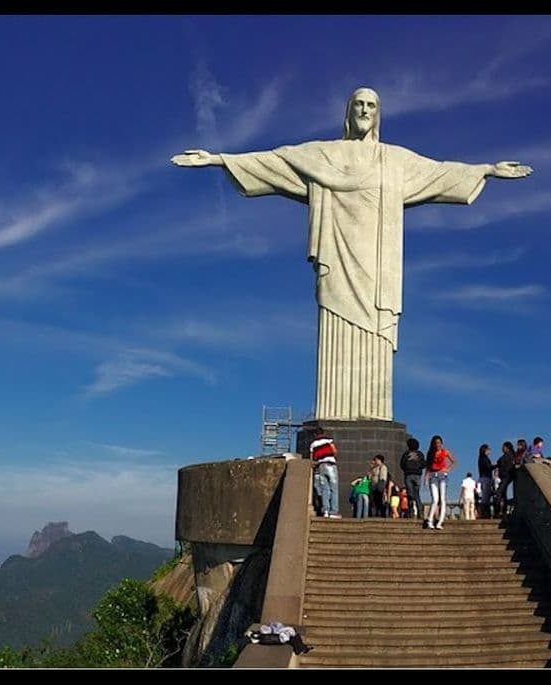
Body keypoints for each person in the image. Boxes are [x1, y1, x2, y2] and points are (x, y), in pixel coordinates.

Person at [171, 88, 532, 422]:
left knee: (375, 328)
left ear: (378, 115)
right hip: (337, 257)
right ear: (348, 112)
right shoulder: (324, 154)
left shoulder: (395, 160)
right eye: (358, 104)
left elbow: (439, 172)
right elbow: (278, 161)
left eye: (371, 105)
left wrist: (486, 169)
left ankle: (373, 413)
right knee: (334, 320)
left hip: (377, 264)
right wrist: (218, 159)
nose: (364, 110)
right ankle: (333, 411)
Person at [424, 435, 456, 529]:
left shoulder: (445, 452)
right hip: (433, 476)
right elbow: (428, 467)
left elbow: (454, 461)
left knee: (442, 499)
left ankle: (440, 522)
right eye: (436, 443)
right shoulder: (430, 453)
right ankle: (430, 520)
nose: (438, 445)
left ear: (442, 443)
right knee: (435, 499)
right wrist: (425, 478)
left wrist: (448, 469)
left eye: (439, 443)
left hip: (442, 476)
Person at [310, 427, 341, 519]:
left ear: (315, 434)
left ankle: (326, 511)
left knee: (324, 490)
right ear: (323, 433)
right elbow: (334, 451)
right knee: (334, 489)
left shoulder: (313, 444)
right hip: (330, 465)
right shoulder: (328, 440)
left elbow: (312, 458)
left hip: (320, 466)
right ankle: (334, 511)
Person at [400, 438, 425, 518]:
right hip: (417, 475)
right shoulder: (420, 454)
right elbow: (424, 464)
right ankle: (420, 512)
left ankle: (411, 512)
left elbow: (402, 464)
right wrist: (418, 468)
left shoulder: (406, 454)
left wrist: (407, 469)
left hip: (409, 475)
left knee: (410, 495)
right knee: (417, 494)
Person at [477, 443, 495, 518]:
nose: (489, 451)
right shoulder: (484, 458)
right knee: (486, 497)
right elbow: (488, 467)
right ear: (485, 450)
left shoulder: (480, 458)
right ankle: (485, 514)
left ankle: (484, 513)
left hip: (482, 478)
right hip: (486, 478)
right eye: (488, 450)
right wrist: (496, 465)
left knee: (485, 497)